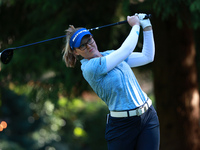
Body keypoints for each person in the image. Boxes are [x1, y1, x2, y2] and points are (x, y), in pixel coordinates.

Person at [62, 13, 160, 150]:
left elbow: (147, 56)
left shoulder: (110, 55)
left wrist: (146, 25)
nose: (88, 46)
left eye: (89, 40)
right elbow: (126, 49)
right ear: (76, 52)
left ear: (92, 38)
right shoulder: (90, 68)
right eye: (82, 46)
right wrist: (136, 25)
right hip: (122, 126)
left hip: (148, 116)